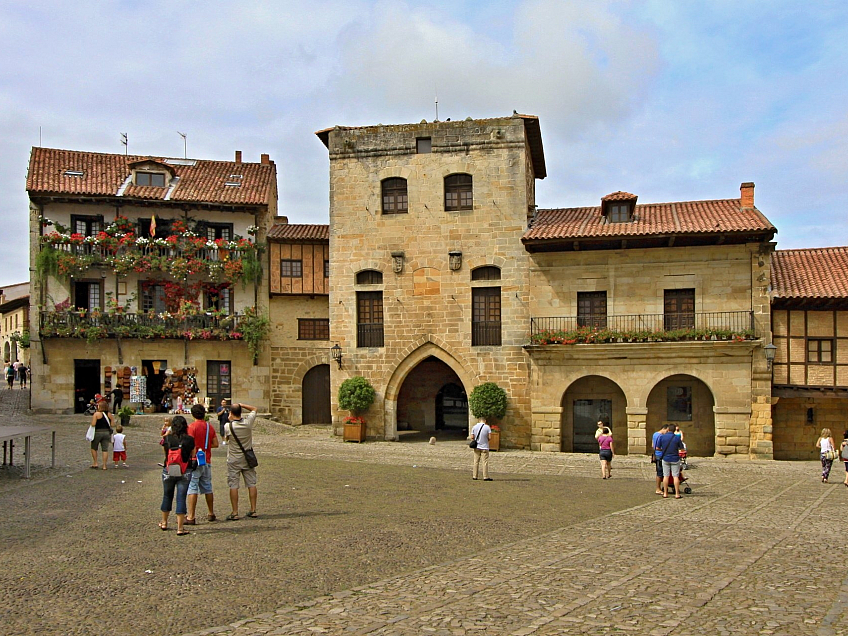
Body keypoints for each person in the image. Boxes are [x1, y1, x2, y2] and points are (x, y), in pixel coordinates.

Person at [159, 416, 195, 535]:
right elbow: (192, 455)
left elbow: (166, 454)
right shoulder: (189, 440)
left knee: (167, 495)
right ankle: (180, 528)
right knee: (181, 497)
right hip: (185, 470)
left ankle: (164, 522)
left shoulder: (167, 438)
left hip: (169, 470)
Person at [185, 404, 219, 525]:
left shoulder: (191, 427)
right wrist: (205, 446)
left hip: (195, 460)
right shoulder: (210, 427)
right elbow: (216, 444)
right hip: (206, 459)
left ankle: (191, 516)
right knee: (207, 486)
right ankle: (211, 513)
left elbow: (189, 444)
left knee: (192, 487)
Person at [225, 402, 258, 520]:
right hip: (247, 458)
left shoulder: (228, 426)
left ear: (231, 413)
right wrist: (241, 405)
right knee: (251, 483)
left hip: (234, 458)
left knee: (234, 485)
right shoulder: (248, 423)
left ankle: (235, 512)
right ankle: (253, 509)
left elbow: (226, 438)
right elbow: (254, 408)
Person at [655, 423, 685, 499]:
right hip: (675, 458)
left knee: (666, 476)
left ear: (668, 429)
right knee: (675, 476)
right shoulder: (677, 438)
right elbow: (682, 449)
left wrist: (664, 449)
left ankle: (665, 493)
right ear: (674, 430)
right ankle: (677, 494)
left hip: (665, 458)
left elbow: (657, 448)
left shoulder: (662, 437)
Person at [89, 401, 113, 470]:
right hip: (106, 433)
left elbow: (93, 424)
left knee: (94, 447)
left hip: (97, 432)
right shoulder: (109, 414)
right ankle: (104, 465)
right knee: (105, 449)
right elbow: (112, 425)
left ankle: (95, 463)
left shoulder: (96, 414)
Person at [652, 423, 670, 494]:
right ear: (664, 429)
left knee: (660, 472)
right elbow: (660, 447)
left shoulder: (655, 434)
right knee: (661, 472)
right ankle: (658, 488)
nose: (667, 433)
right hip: (660, 455)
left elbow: (653, 445)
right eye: (667, 431)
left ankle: (660, 487)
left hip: (656, 454)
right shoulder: (661, 436)